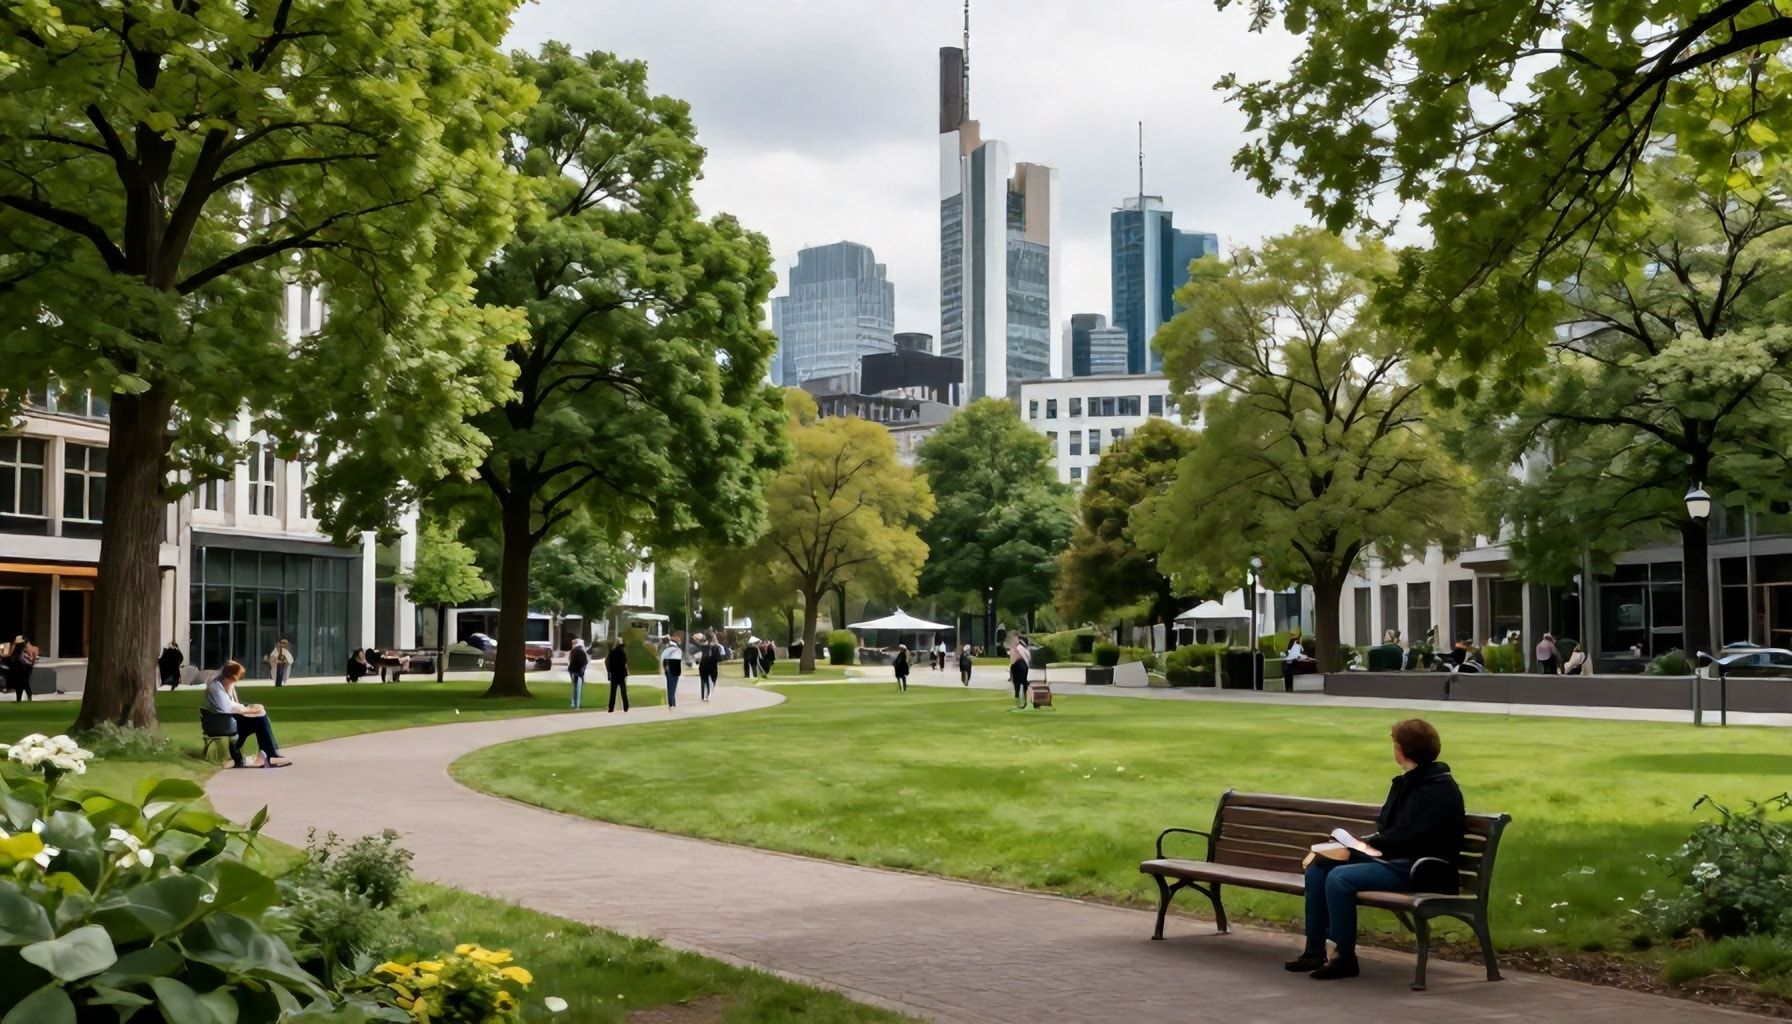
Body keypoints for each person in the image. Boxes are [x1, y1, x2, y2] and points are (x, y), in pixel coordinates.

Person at [1289, 718, 1465, 980]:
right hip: (1394, 861)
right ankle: (1315, 951)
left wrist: (1374, 843)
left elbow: (1416, 837)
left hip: (1421, 869)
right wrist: (1361, 843)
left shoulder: (1440, 790)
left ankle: (1343, 959)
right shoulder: (1409, 782)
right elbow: (1388, 826)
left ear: (1404, 750)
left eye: (1395, 743)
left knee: (1340, 878)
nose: (1394, 748)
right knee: (1319, 868)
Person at [204, 661, 291, 768]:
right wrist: (248, 710)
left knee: (260, 716)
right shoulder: (215, 687)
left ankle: (269, 753)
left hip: (227, 720)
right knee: (260, 719)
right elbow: (227, 708)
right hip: (223, 722)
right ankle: (270, 754)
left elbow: (232, 704)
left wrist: (249, 707)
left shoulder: (226, 684)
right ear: (233, 676)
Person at [694, 632, 722, 702]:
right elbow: (719, 659)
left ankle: (704, 696)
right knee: (712, 680)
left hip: (703, 665)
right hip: (712, 666)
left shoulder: (702, 646)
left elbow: (697, 657)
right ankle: (708, 694)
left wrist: (697, 662)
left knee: (704, 681)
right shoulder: (716, 647)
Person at [7, 637, 36, 701]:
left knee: (20, 687)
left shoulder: (16, 653)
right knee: (25, 685)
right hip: (23, 671)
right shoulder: (22, 652)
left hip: (18, 672)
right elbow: (30, 661)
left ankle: (19, 699)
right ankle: (28, 699)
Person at [605, 639, 630, 712]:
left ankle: (611, 707)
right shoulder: (623, 652)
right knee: (623, 691)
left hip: (614, 674)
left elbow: (608, 663)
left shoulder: (612, 652)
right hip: (621, 674)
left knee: (613, 692)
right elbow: (625, 662)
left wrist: (609, 673)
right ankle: (626, 706)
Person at [659, 636, 684, 708]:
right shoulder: (671, 646)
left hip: (672, 667)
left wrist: (666, 665)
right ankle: (672, 702)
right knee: (671, 685)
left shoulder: (671, 646)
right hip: (672, 667)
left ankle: (672, 702)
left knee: (671, 686)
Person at [567, 639, 589, 709]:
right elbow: (585, 662)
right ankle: (577, 705)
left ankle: (573, 703)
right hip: (579, 672)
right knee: (579, 689)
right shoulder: (582, 652)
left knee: (574, 687)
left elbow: (570, 662)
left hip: (572, 671)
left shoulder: (573, 652)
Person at [1009, 634, 1030, 708]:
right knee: (1023, 685)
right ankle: (1023, 702)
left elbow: (1012, 659)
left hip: (1018, 665)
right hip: (1020, 665)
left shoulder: (1018, 648)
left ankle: (1019, 702)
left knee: (1018, 685)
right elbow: (1028, 657)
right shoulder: (1022, 648)